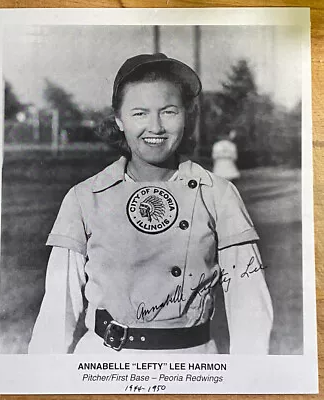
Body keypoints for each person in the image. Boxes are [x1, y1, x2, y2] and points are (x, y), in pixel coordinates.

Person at [29, 53, 273, 355]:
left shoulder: (218, 193)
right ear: (119, 120)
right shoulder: (83, 197)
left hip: (192, 367)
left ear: (187, 116)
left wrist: (250, 381)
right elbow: (57, 309)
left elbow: (250, 307)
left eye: (169, 112)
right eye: (139, 113)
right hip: (104, 367)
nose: (155, 127)